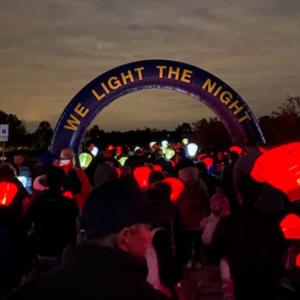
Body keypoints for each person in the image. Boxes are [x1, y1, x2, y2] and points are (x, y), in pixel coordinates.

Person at [7, 177, 169, 300]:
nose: (150, 236)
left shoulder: (36, 290)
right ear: (125, 236)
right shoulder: (141, 294)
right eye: (147, 228)